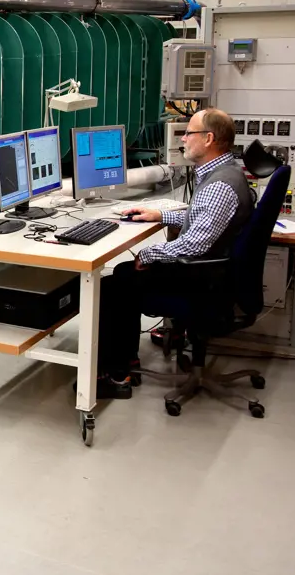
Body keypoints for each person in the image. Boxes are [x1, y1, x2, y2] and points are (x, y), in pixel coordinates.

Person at [94, 108, 254, 399]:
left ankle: (115, 376)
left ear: (208, 139)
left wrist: (149, 254)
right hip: (215, 274)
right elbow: (207, 220)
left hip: (204, 281)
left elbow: (194, 245)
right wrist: (160, 215)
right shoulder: (227, 172)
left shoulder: (218, 185)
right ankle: (126, 360)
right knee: (122, 274)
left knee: (112, 286)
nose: (183, 139)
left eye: (188, 132)